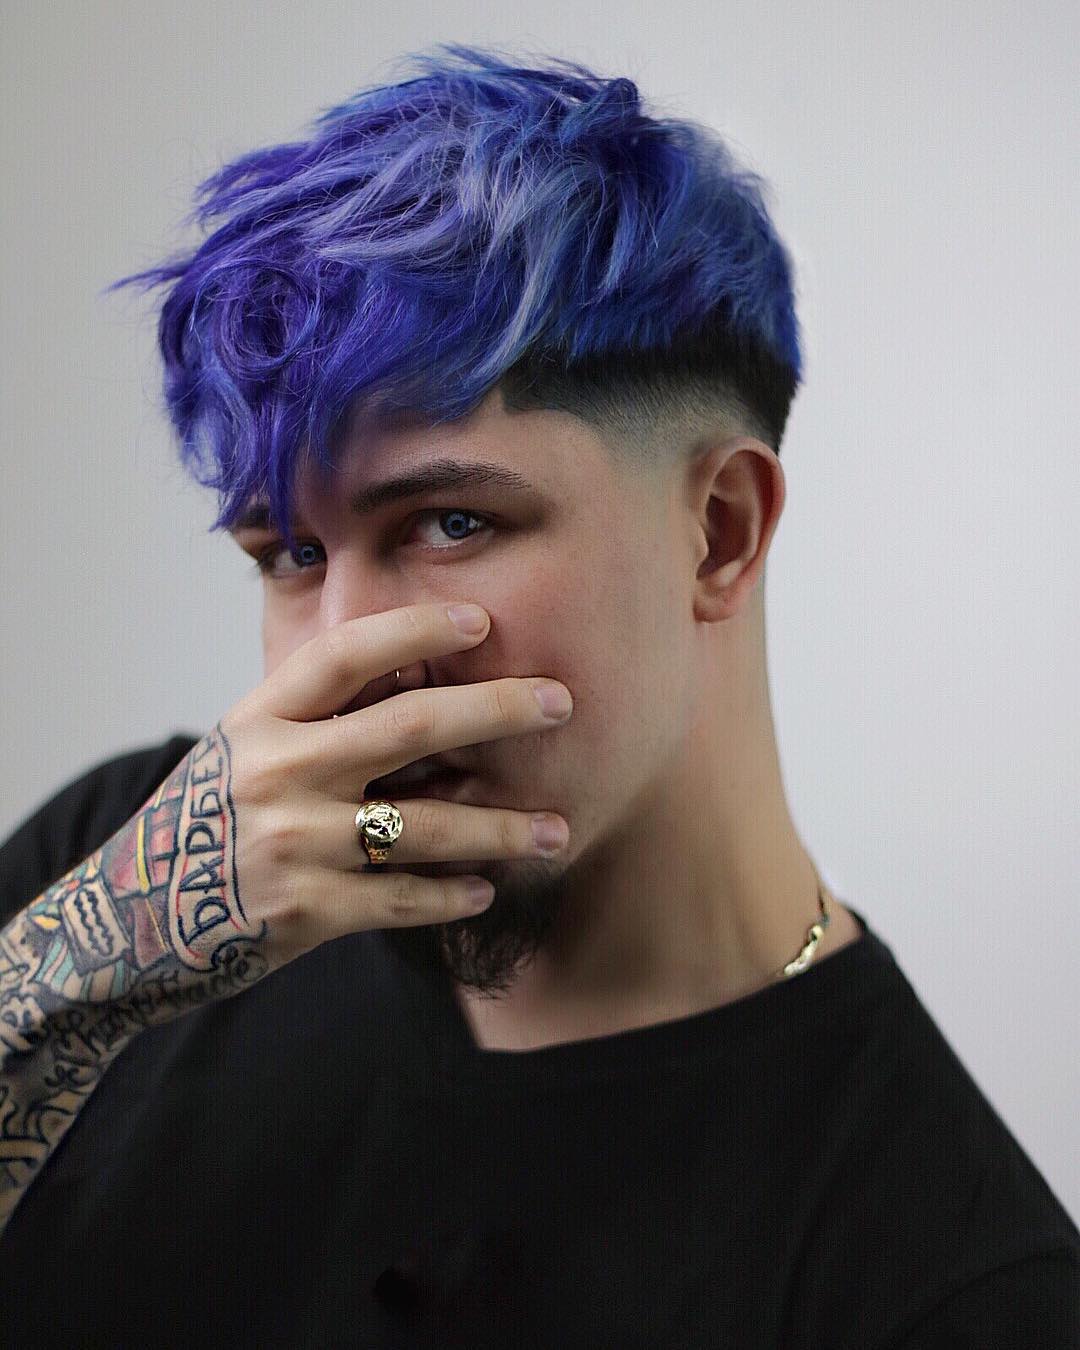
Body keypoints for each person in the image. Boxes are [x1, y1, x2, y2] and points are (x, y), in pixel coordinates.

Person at [0, 41, 1076, 1348]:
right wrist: (75, 976)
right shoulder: (126, 861)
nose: (344, 661)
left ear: (720, 533)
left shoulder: (952, 1284)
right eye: (292, 552)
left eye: (449, 521)